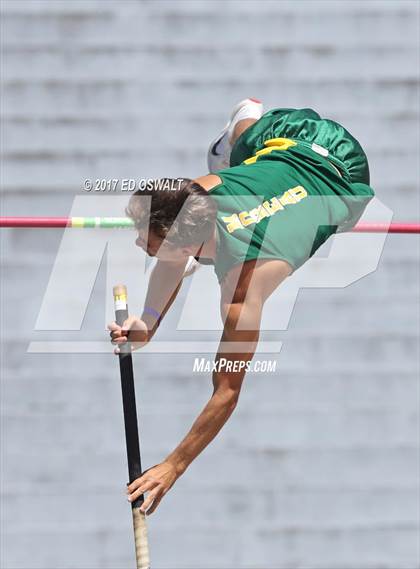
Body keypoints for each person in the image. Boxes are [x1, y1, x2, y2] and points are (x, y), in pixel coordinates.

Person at [108, 99, 374, 515]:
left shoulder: (242, 291)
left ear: (180, 242)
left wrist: (174, 466)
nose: (138, 243)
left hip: (344, 173)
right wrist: (150, 325)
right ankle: (244, 116)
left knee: (231, 159)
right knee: (240, 138)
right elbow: (173, 256)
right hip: (288, 140)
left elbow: (227, 392)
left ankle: (243, 126)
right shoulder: (199, 194)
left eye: (146, 237)